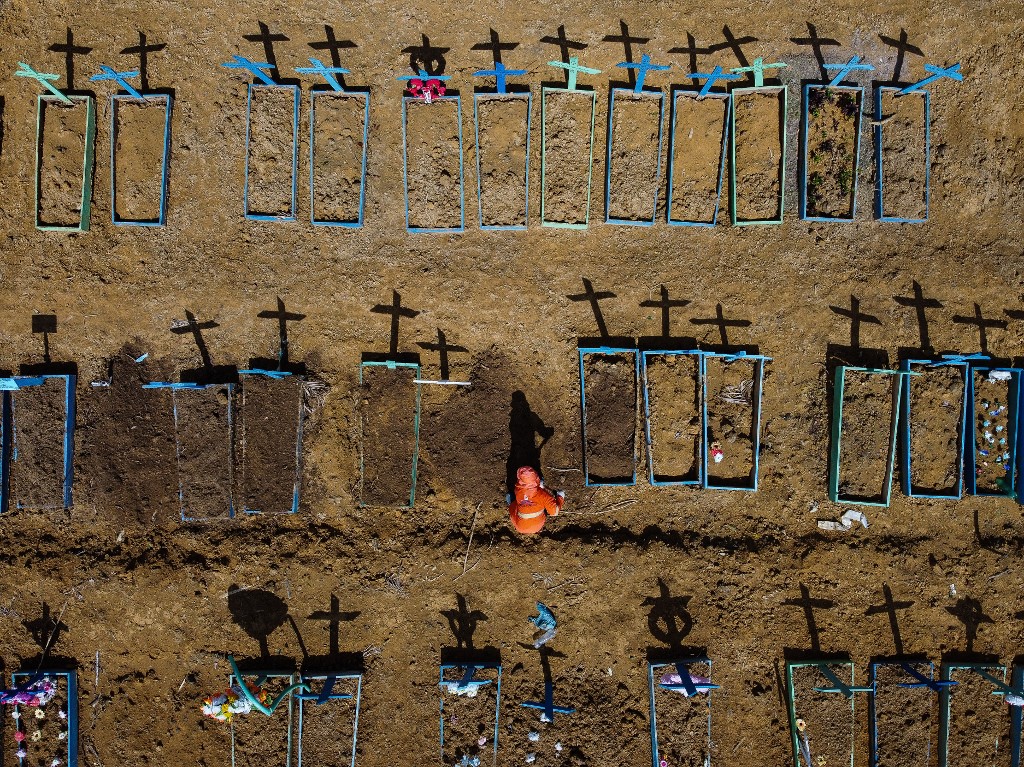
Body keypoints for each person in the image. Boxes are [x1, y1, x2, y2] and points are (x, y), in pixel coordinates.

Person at [508, 466, 563, 534]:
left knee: (509, 496)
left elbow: (528, 491)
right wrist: (560, 497)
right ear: (536, 478)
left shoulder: (518, 491)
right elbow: (554, 512)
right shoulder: (542, 494)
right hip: (537, 526)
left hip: (520, 527)